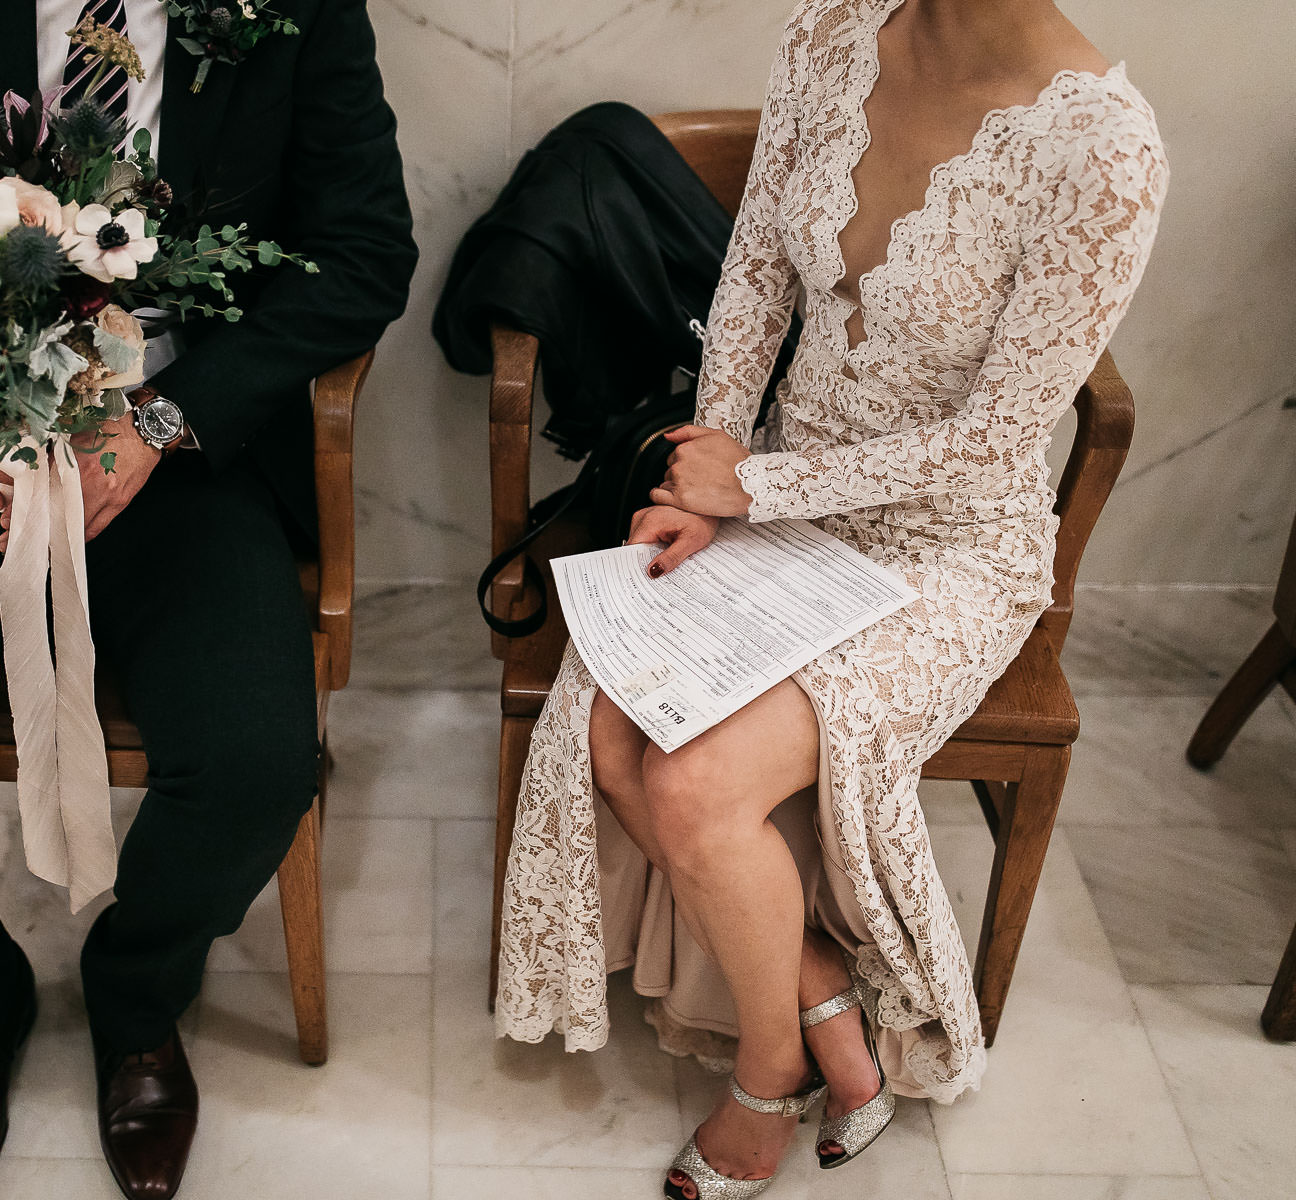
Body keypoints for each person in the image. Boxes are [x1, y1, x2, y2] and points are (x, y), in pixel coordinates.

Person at [492, 0, 1167, 1196]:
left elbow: (996, 439)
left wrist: (757, 483)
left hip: (949, 546)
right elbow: (753, 272)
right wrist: (715, 468)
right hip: (781, 491)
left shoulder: (1105, 149)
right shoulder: (832, 28)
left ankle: (773, 1075)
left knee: (695, 784)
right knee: (607, 724)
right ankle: (821, 1001)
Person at [0, 2, 416, 1198]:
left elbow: (366, 250)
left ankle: (137, 997)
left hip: (181, 445)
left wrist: (158, 423)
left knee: (259, 767)